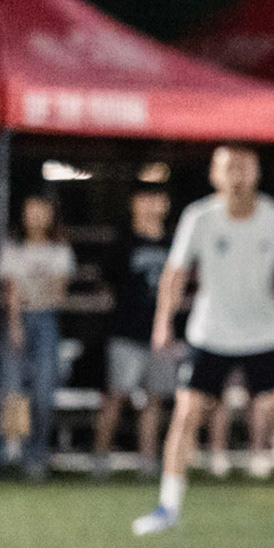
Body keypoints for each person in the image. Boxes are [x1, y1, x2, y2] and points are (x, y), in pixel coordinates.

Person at [133, 146, 274, 536]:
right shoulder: (199, 218)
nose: (237, 174)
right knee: (186, 415)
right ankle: (168, 506)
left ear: (256, 173)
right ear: (214, 175)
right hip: (210, 332)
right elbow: (175, 272)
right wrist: (163, 321)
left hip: (266, 332)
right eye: (228, 167)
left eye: (244, 167)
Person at [0, 196, 75, 479]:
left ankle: (34, 456)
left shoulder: (60, 250)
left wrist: (33, 296)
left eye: (42, 212)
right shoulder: (13, 249)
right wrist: (15, 324)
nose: (36, 217)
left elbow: (59, 295)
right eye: (31, 211)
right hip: (16, 319)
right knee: (9, 391)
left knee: (43, 393)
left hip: (47, 322)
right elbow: (10, 292)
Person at [93, 185, 177, 478]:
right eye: (145, 200)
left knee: (155, 399)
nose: (152, 206)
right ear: (134, 204)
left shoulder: (173, 243)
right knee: (116, 396)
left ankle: (147, 463)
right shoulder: (123, 242)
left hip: (161, 333)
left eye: (157, 199)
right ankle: (100, 460)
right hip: (125, 331)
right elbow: (104, 282)